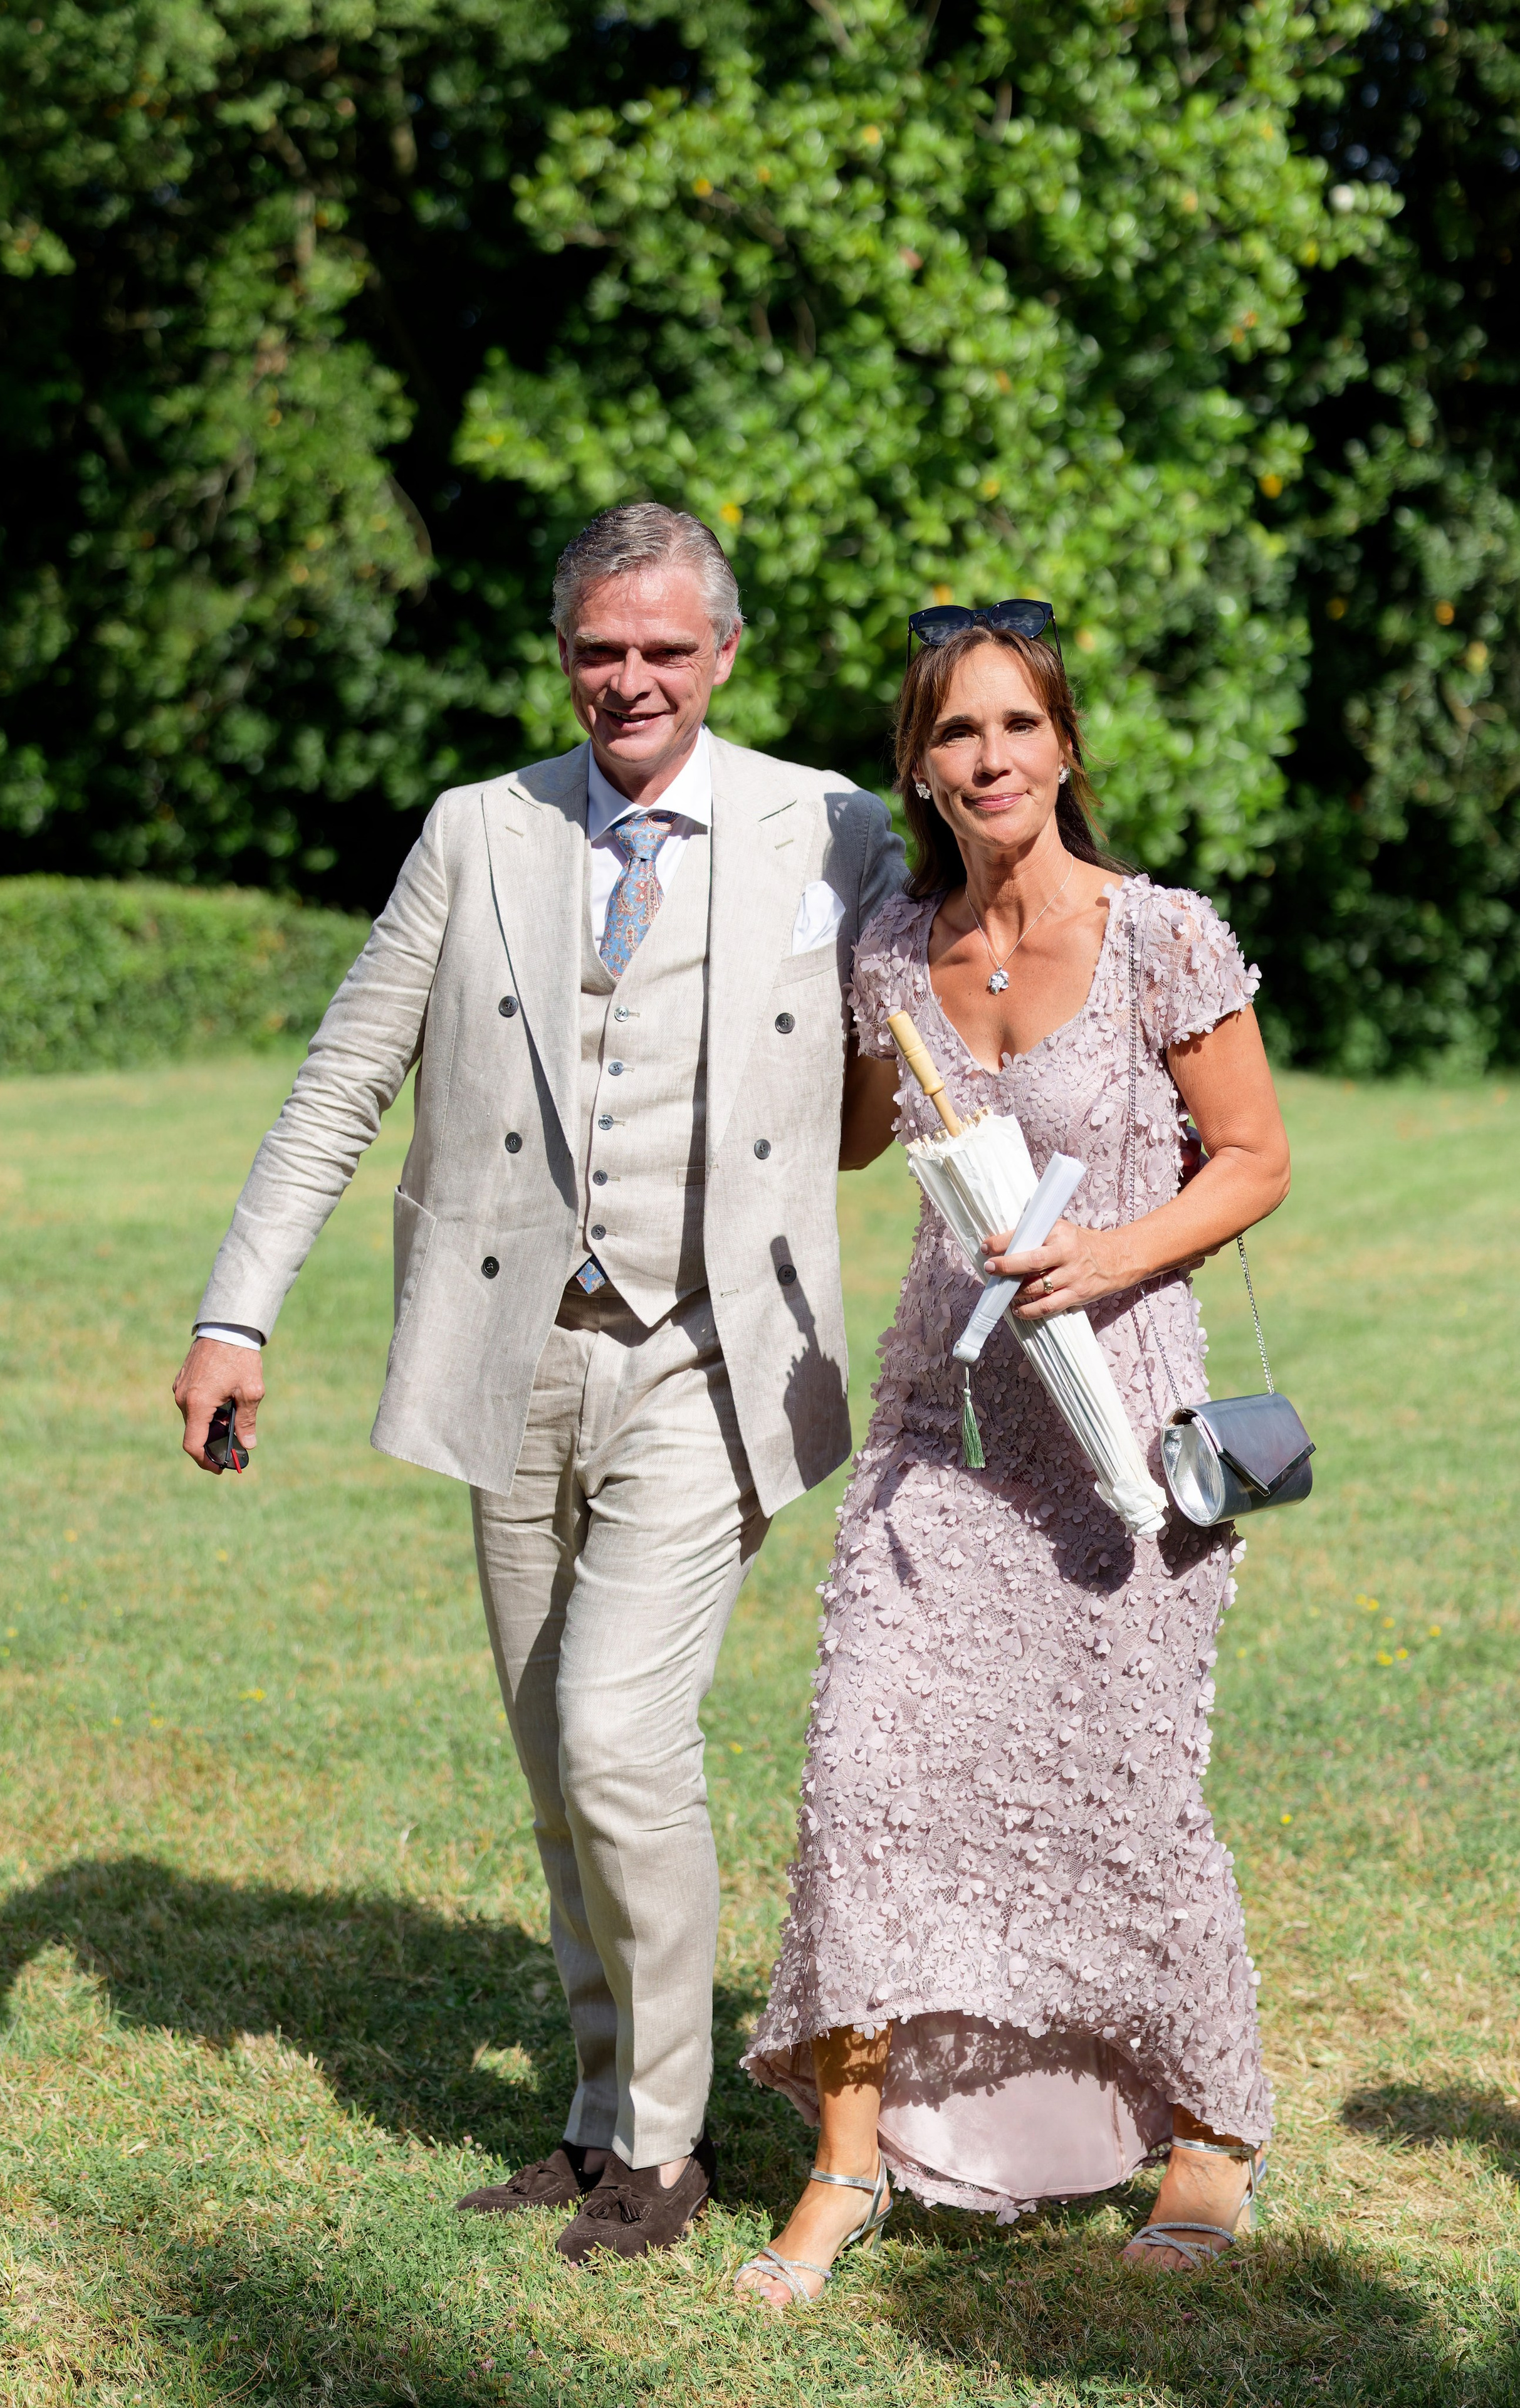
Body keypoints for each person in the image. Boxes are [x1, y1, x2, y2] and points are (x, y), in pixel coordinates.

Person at [172, 503, 908, 2261]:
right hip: (513, 1349)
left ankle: (670, 2145)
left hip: (712, 1355)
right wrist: (238, 1311)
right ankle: (594, 2118)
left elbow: (946, 1015)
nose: (630, 680)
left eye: (665, 647)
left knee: (616, 1732)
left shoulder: (832, 826)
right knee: (547, 1752)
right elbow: (343, 1075)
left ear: (725, 652)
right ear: (562, 655)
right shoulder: (476, 833)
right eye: (600, 649)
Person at [735, 610, 1291, 2307]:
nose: (989, 759)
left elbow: (1256, 1158)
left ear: (1063, 747)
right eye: (954, 733)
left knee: (1129, 1796)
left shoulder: (1163, 940)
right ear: (918, 765)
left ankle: (1207, 2126)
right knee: (861, 1770)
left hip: (1123, 1438)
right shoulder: (893, 954)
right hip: (942, 1428)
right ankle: (848, 2163)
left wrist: (1113, 1253)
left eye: (1016, 726)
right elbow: (821, 1132)